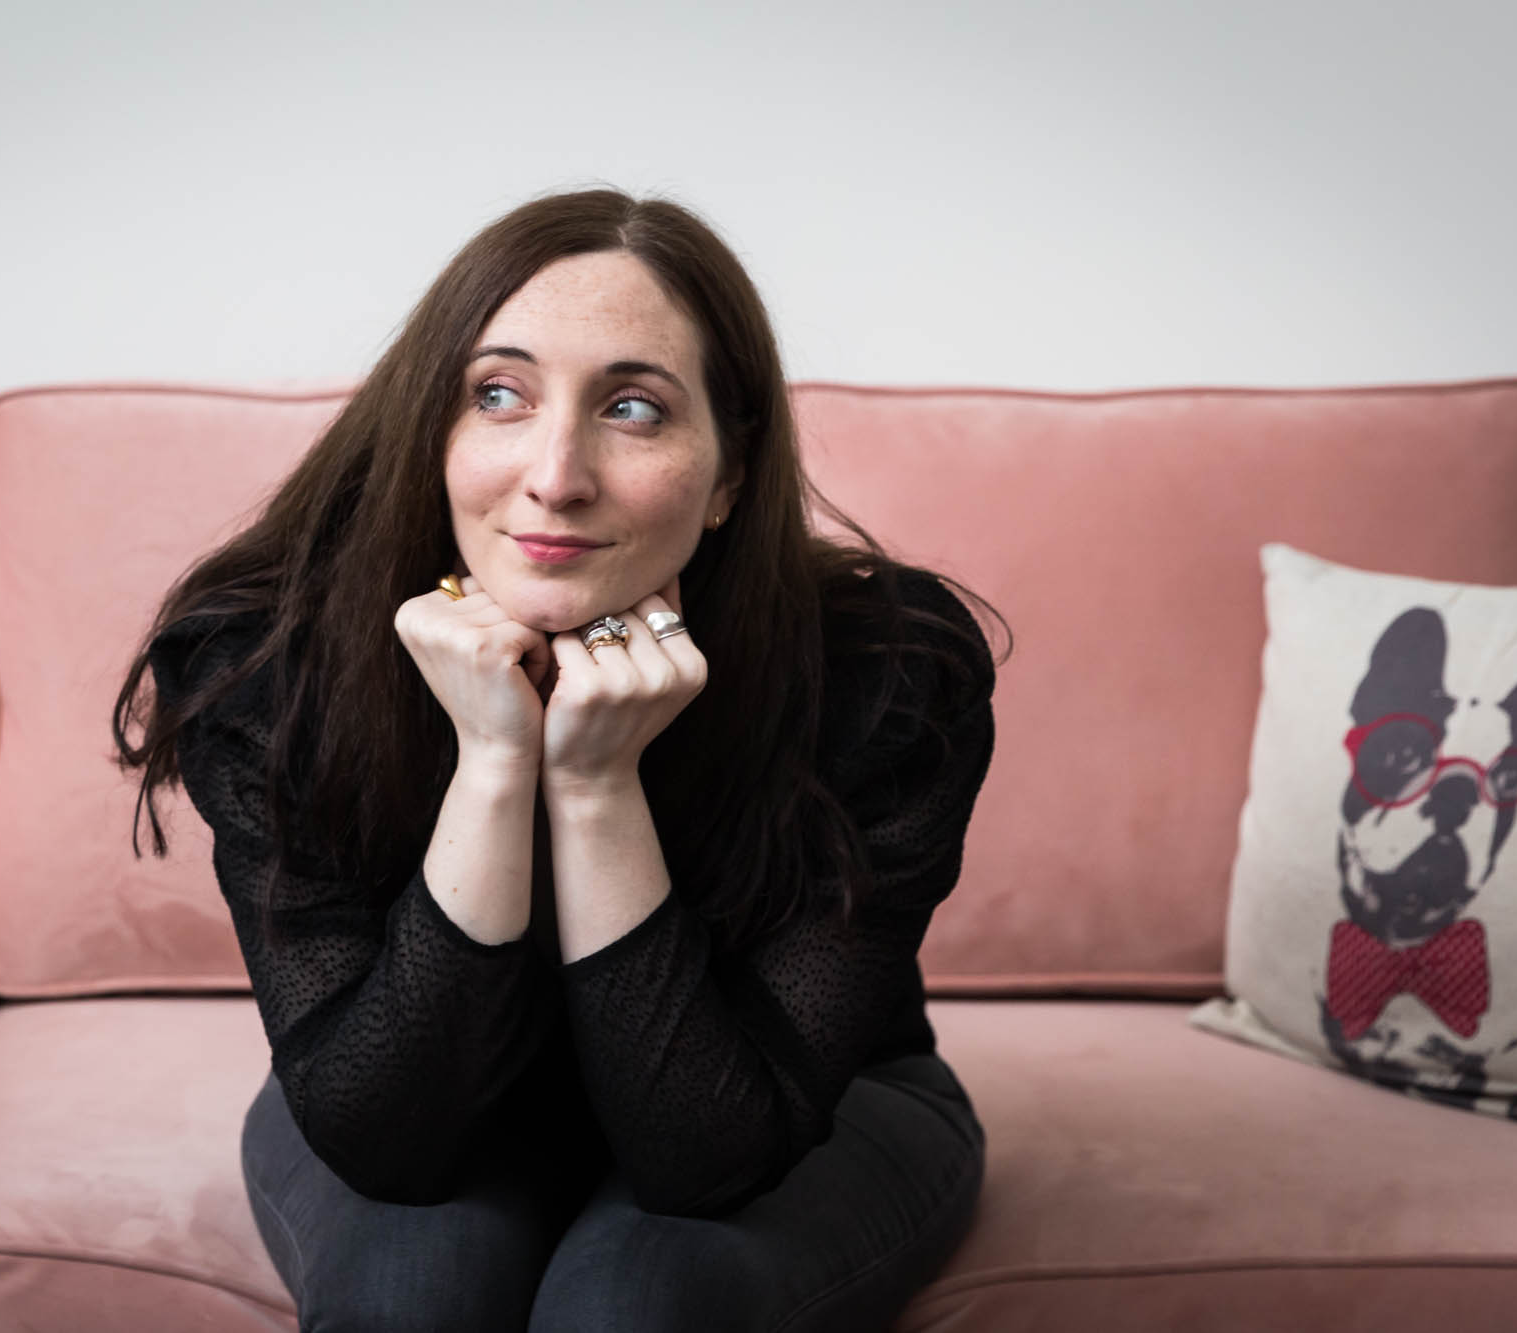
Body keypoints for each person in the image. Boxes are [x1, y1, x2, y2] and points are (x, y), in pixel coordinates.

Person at [113, 185, 1008, 1332]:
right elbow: (394, 1142)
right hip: (410, 1086)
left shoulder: (887, 669)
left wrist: (592, 782)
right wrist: (493, 761)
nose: (554, 474)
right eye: (498, 395)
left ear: (729, 471)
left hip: (809, 1104)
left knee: (635, 1301)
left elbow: (706, 1160)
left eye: (632, 409)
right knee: (410, 1292)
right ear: (430, 431)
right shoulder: (267, 658)